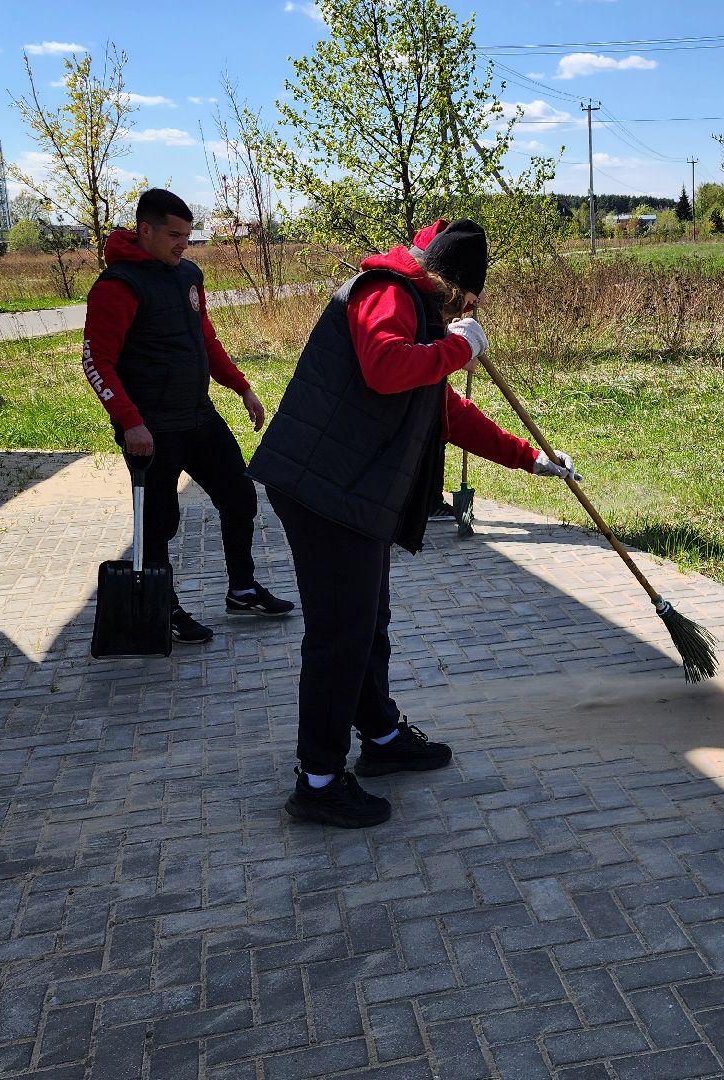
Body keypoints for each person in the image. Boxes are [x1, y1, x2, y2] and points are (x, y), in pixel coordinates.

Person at [248, 219, 578, 828]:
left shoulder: (417, 311)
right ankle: (318, 779)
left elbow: (443, 408)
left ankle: (379, 735)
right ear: (453, 287)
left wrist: (530, 458)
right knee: (339, 634)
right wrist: (460, 348)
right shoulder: (386, 293)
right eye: (471, 300)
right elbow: (384, 367)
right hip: (323, 491)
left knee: (367, 620)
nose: (472, 311)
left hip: (350, 492)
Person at [81, 189, 294, 645]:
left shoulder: (188, 276)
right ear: (145, 230)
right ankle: (164, 607)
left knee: (239, 497)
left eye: (188, 235)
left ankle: (242, 589)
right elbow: (97, 362)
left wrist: (242, 387)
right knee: (161, 522)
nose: (184, 244)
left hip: (199, 417)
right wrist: (130, 422)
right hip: (151, 429)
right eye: (175, 235)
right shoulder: (118, 286)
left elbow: (207, 342)